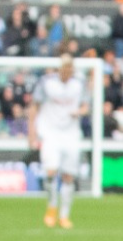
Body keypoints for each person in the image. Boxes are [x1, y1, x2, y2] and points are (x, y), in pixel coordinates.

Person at [29, 53, 88, 229]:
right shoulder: (47, 82)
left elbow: (85, 105)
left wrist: (80, 112)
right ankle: (52, 206)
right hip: (50, 133)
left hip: (71, 134)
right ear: (60, 68)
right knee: (50, 172)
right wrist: (31, 134)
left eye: (70, 68)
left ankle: (64, 215)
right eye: (65, 68)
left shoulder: (79, 83)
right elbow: (34, 106)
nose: (67, 72)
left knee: (68, 176)